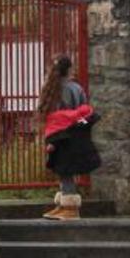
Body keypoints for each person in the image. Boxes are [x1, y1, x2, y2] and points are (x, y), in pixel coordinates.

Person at [36, 55, 90, 219]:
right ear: (69, 70)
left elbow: (57, 118)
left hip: (60, 135)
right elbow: (83, 111)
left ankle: (70, 207)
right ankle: (63, 204)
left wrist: (53, 140)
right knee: (65, 169)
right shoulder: (75, 88)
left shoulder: (55, 89)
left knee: (64, 169)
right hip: (74, 133)